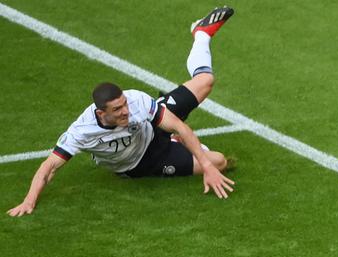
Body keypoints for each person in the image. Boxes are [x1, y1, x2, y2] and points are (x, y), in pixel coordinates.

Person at [7, 7, 237, 217]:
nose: (126, 111)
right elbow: (48, 168)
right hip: (142, 162)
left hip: (151, 127)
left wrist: (204, 165)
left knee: (205, 81)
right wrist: (28, 201)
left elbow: (178, 124)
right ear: (101, 114)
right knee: (219, 162)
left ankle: (201, 34)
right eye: (117, 109)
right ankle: (178, 145)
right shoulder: (82, 131)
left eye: (124, 104)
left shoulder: (136, 101)